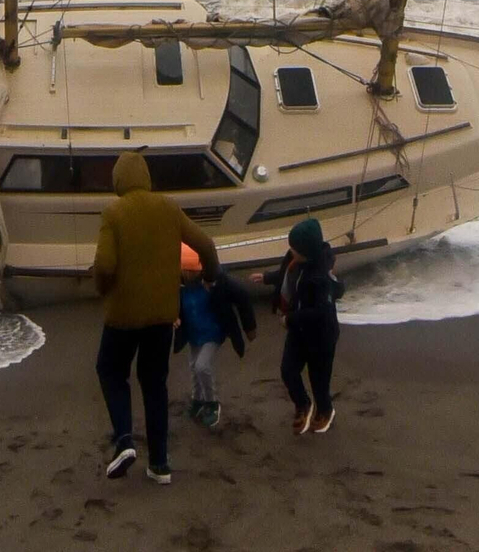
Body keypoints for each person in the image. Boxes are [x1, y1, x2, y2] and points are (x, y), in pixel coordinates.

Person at [92, 151, 221, 484]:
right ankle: (160, 465)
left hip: (122, 316)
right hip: (163, 316)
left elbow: (104, 266)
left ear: (118, 180)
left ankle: (124, 440)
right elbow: (206, 245)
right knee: (154, 384)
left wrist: (102, 289)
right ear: (146, 177)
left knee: (110, 371)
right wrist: (210, 277)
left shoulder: (114, 212)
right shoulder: (169, 207)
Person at [263, 217, 344, 435]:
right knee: (288, 371)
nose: (291, 251)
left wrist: (290, 319)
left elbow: (322, 312)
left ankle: (325, 410)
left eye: (295, 248)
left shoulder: (320, 277)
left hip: (321, 338)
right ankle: (302, 404)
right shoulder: (295, 258)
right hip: (298, 333)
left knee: (319, 382)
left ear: (307, 251)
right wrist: (266, 277)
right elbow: (285, 274)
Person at [172, 242, 257, 428]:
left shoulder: (214, 283)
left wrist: (249, 328)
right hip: (194, 333)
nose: (189, 276)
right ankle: (198, 400)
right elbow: (171, 304)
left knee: (202, 366)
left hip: (213, 333)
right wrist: (174, 317)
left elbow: (241, 295)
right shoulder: (179, 287)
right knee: (194, 366)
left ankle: (212, 403)